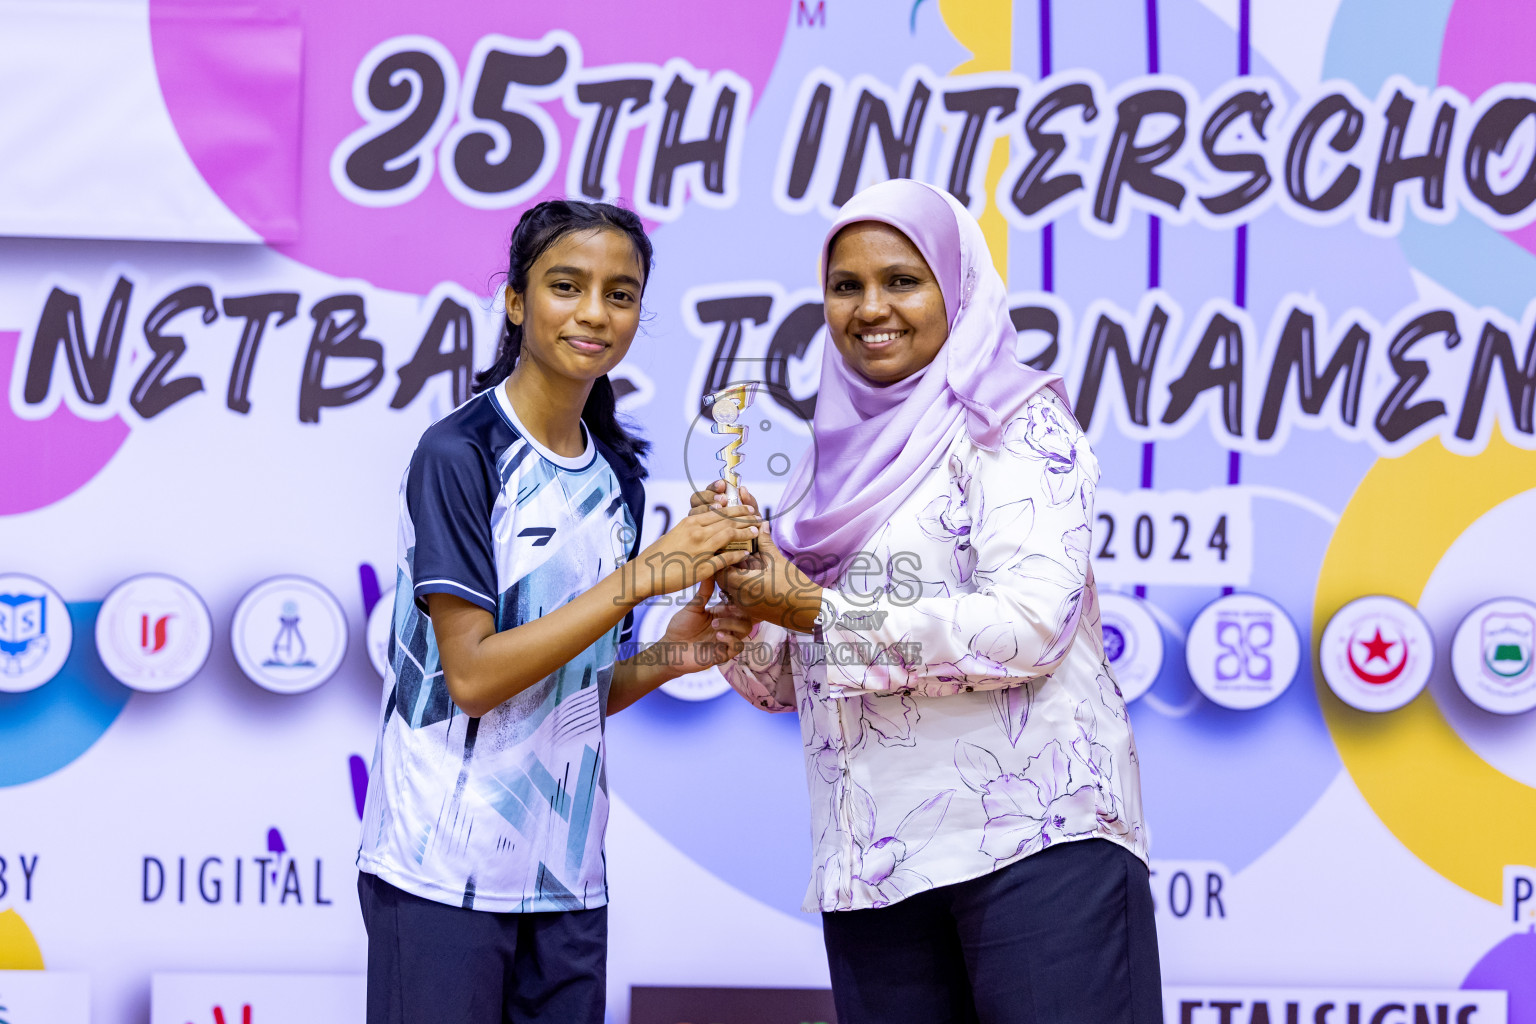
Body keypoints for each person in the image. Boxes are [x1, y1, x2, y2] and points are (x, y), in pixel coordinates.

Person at [697, 178, 1161, 1024]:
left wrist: (811, 610)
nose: (871, 307)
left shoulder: (1016, 425)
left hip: (1033, 845)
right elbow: (783, 684)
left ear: (958, 289)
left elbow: (1028, 629)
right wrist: (738, 602)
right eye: (846, 287)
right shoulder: (814, 470)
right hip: (874, 862)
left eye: (902, 281)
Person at [356, 199, 759, 1024]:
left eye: (620, 293)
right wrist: (646, 578)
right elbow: (471, 677)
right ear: (515, 302)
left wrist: (676, 653)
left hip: (567, 879)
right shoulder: (459, 455)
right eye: (566, 286)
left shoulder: (619, 478)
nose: (593, 312)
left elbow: (576, 690)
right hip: (440, 868)